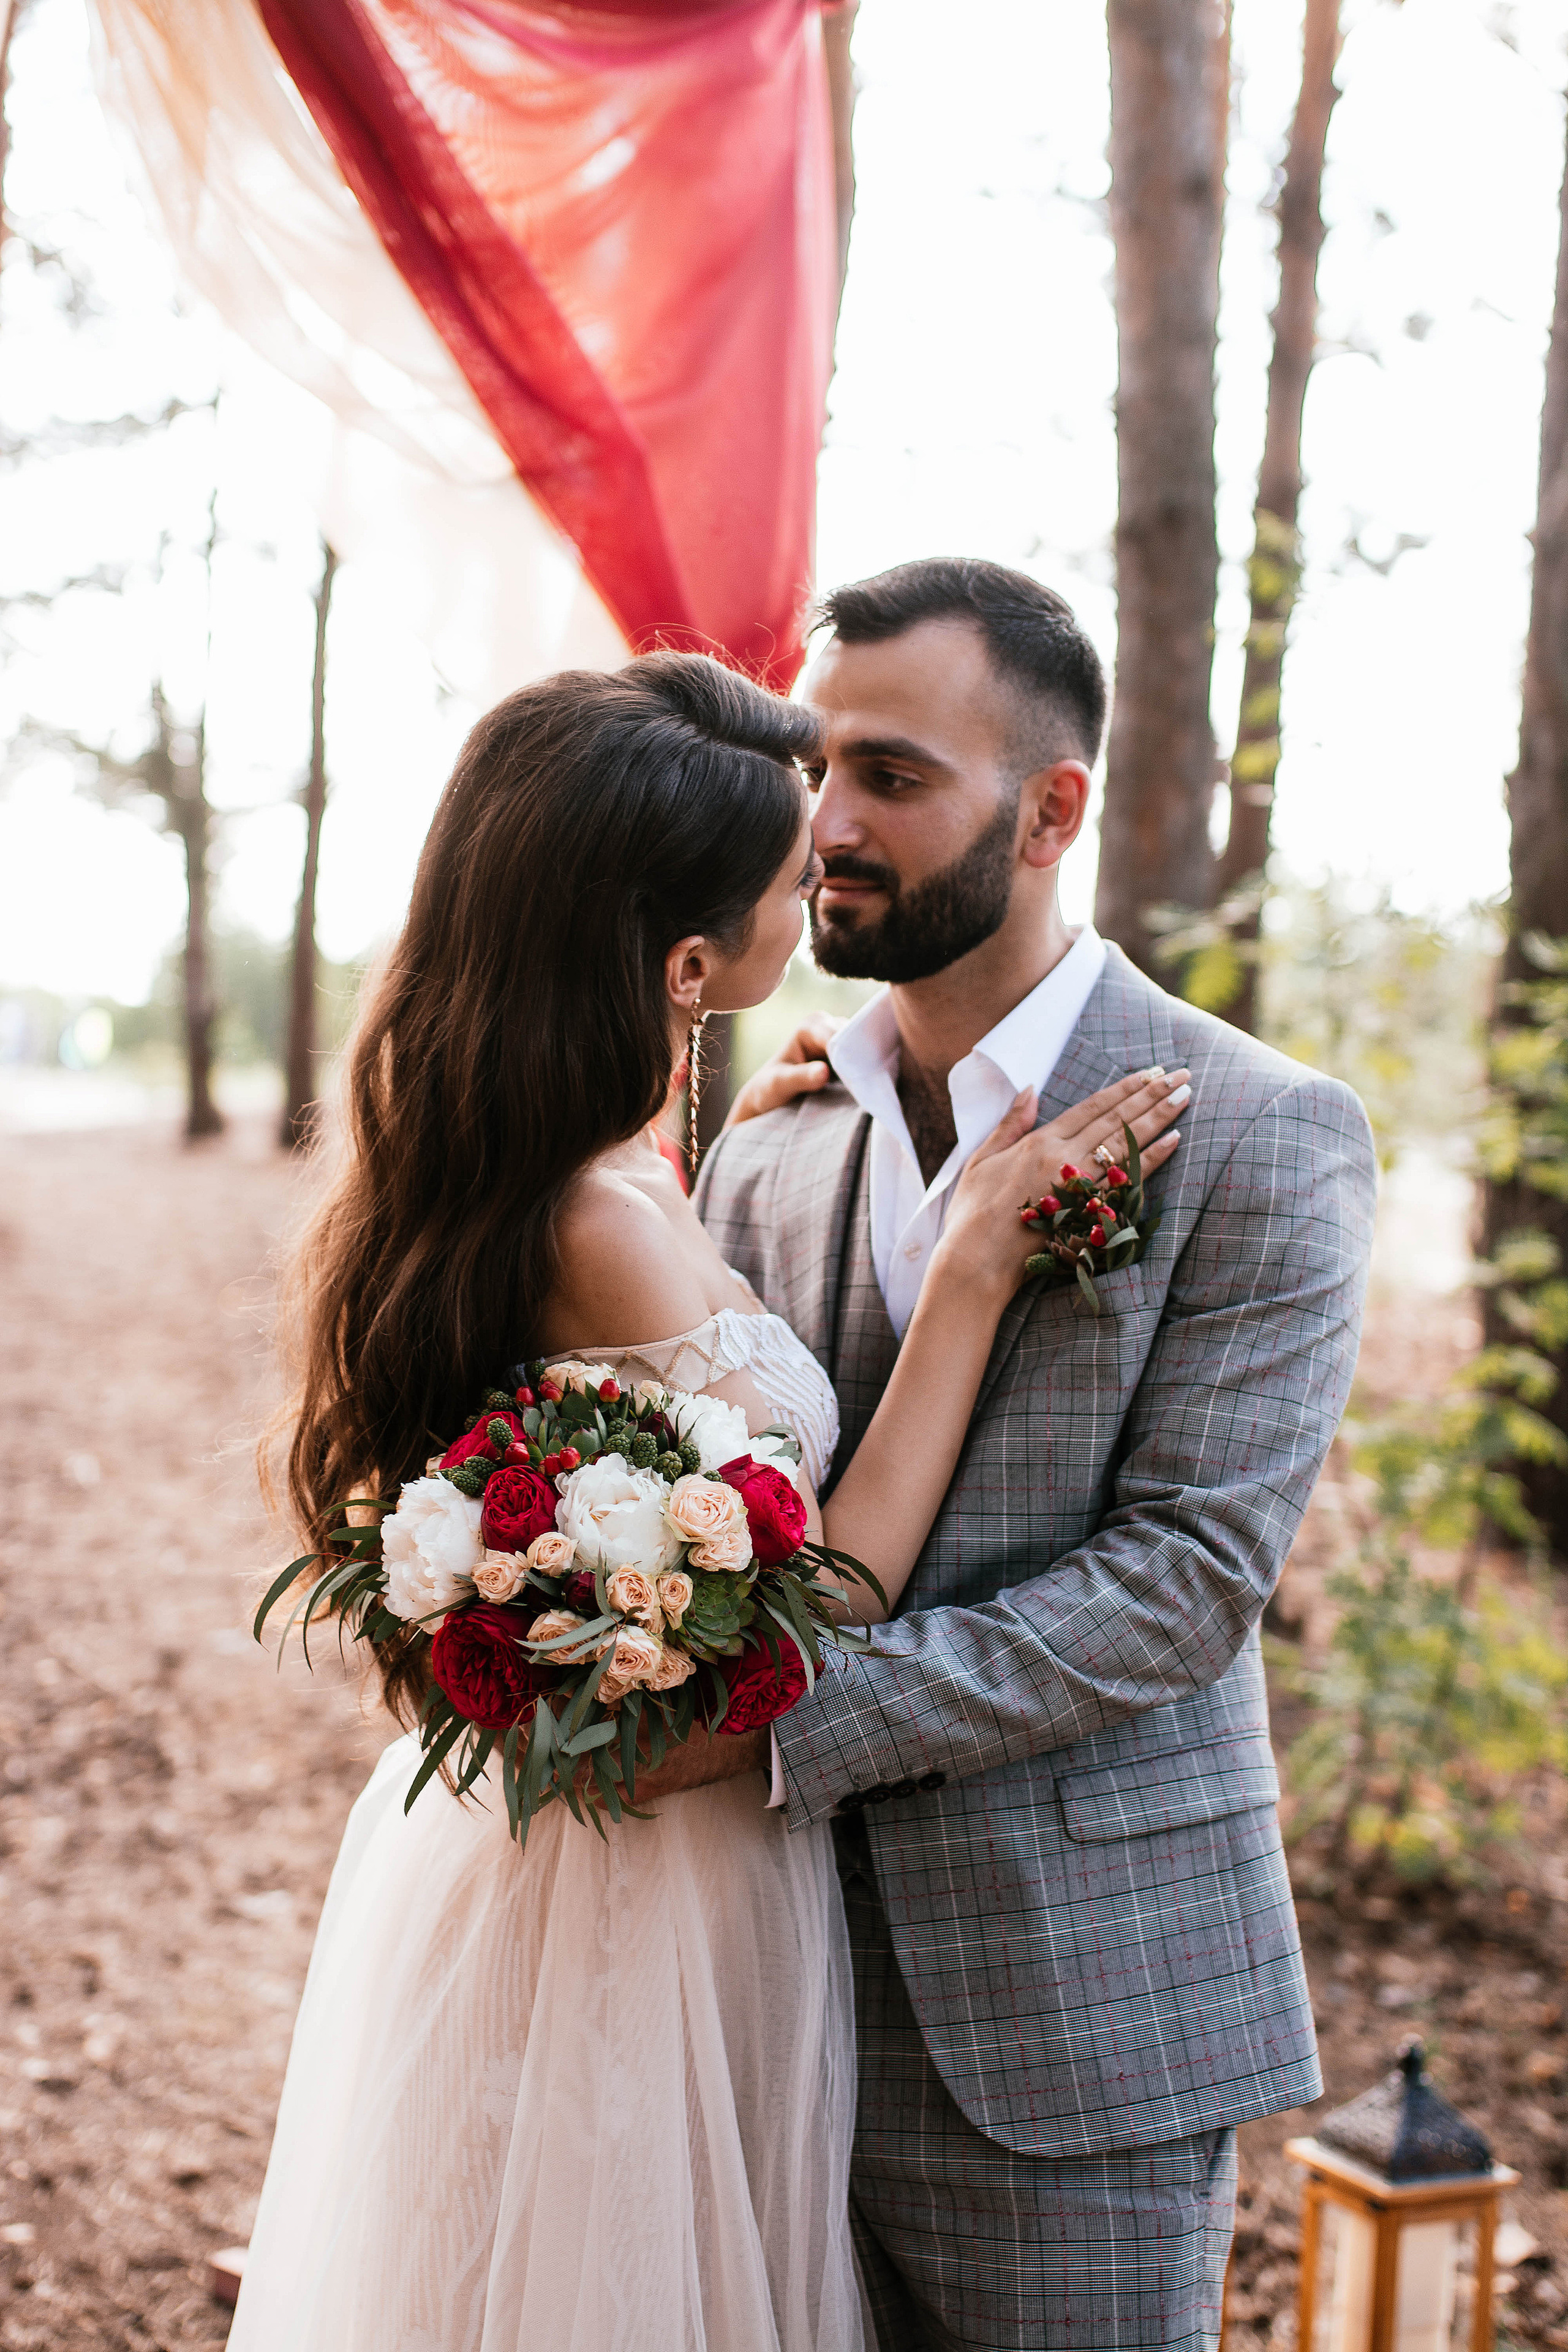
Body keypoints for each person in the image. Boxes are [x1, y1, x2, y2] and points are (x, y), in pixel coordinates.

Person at [228, 650, 1188, 2352]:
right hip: (645, 1899)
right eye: (789, 862)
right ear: (690, 966)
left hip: (584, 1865)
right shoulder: (589, 1225)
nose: (825, 853)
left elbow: (649, 1338)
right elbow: (833, 1594)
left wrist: (721, 1138)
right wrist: (969, 1277)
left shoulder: (602, 1173)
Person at [694, 557, 1379, 2351]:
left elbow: (1186, 1583)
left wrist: (778, 1726)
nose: (827, 825)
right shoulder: (766, 1145)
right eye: (814, 770)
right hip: (754, 1998)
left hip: (1081, 2016)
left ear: (1051, 808)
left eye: (894, 779)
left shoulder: (1260, 1133)